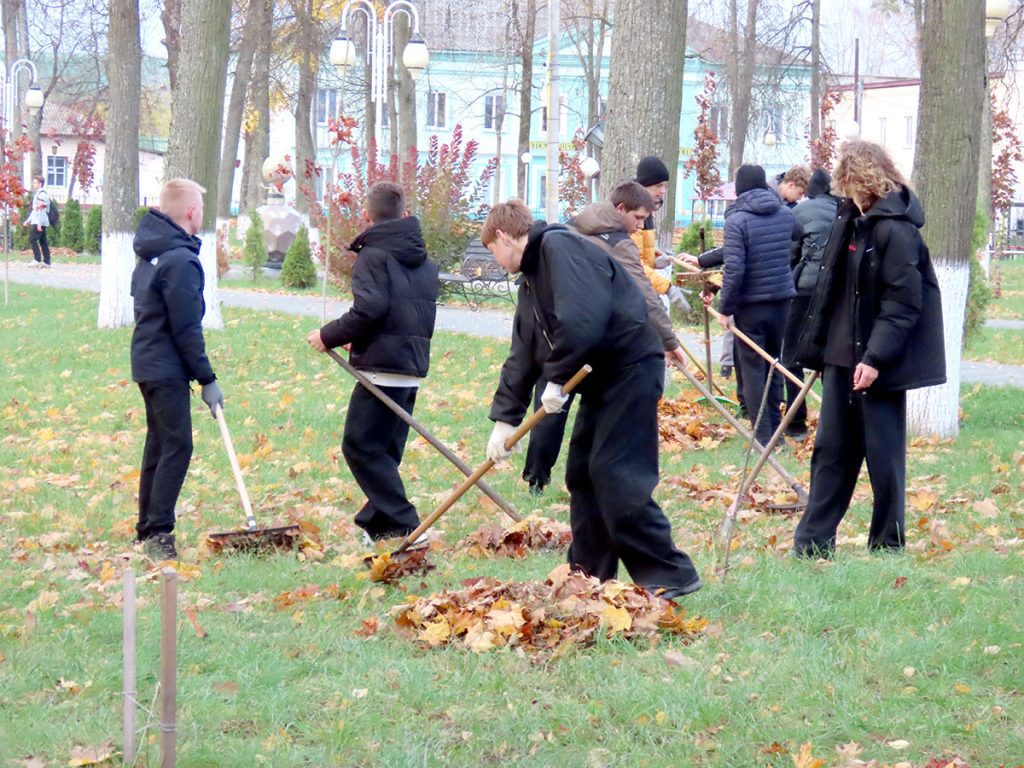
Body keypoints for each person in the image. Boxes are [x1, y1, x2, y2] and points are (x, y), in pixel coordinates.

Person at [484, 199, 702, 598]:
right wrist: (504, 420)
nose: (495, 260)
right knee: (582, 474)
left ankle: (670, 573)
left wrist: (557, 378)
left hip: (631, 368)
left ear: (503, 236)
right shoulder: (531, 277)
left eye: (492, 250)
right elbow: (523, 352)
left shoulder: (560, 248)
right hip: (599, 378)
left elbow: (583, 319)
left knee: (615, 472)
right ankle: (588, 576)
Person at [792, 140, 945, 558]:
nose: (844, 190)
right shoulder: (850, 219)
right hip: (841, 358)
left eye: (847, 182)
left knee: (883, 460)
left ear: (861, 179)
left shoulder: (896, 228)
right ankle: (812, 545)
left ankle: (887, 544)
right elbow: (830, 289)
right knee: (830, 454)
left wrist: (874, 359)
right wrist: (820, 350)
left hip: (879, 363)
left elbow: (903, 303)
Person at [307, 181, 438, 543]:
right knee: (385, 451)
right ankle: (379, 524)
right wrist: (362, 338)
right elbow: (405, 312)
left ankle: (407, 525)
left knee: (360, 447)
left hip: (382, 368)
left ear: (367, 216)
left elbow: (371, 308)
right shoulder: (425, 261)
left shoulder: (373, 255)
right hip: (410, 365)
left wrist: (328, 335)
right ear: (405, 214)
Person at [131, 178, 223, 561]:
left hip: (147, 362)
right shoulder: (181, 260)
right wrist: (207, 378)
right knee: (177, 445)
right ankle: (159, 532)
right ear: (191, 212)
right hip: (165, 367)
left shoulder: (153, 253)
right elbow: (186, 328)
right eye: (200, 207)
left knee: (159, 443)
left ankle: (147, 528)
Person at [711, 164, 799, 446]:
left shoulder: (737, 220)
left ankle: (762, 437)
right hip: (782, 301)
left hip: (751, 306)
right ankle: (777, 436)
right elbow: (798, 233)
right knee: (773, 364)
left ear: (739, 190)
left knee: (752, 371)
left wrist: (725, 309)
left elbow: (734, 270)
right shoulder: (785, 214)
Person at [782, 168, 838, 440]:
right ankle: (833, 424)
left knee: (790, 355)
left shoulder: (800, 212)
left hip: (804, 291)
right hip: (835, 293)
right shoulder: (844, 211)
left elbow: (791, 254)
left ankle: (796, 423)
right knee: (832, 358)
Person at [632, 156, 689, 313]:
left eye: (664, 186)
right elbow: (633, 264)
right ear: (644, 186)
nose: (663, 191)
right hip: (632, 293)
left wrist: (656, 260)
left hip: (642, 289)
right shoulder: (633, 213)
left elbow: (641, 253)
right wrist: (668, 288)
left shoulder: (646, 212)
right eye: (658, 186)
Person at [25, 175, 52, 268]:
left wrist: (39, 224)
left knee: (32, 239)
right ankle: (47, 262)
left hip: (39, 221)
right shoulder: (38, 194)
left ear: (40, 184)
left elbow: (41, 210)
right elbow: (35, 210)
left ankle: (37, 259)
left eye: (35, 182)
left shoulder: (42, 195)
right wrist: (28, 221)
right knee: (43, 241)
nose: (33, 184)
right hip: (38, 220)